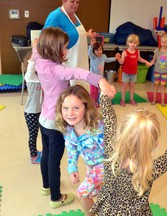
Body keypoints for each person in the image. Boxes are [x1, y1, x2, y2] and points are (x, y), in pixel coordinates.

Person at [89, 93, 167, 215]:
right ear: (155, 144)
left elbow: (110, 118)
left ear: (122, 133)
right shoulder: (150, 170)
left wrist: (104, 95)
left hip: (107, 211)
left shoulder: (111, 152)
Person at [33, 27, 115, 209]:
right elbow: (79, 73)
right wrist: (101, 80)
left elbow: (35, 48)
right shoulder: (56, 70)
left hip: (44, 120)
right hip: (56, 122)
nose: (66, 51)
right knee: (54, 162)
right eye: (64, 47)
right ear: (53, 48)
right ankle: (55, 197)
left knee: (46, 155)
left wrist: (37, 45)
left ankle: (46, 186)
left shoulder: (39, 60)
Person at [55, 85, 104, 216]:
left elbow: (112, 151)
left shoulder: (97, 128)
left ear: (86, 107)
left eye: (76, 108)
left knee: (82, 193)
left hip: (105, 166)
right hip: (91, 167)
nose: (70, 113)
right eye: (65, 108)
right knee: (97, 193)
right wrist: (72, 167)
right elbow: (72, 149)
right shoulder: (69, 129)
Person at [44, 0, 97, 90]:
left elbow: (72, 33)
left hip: (80, 61)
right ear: (64, 0)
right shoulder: (54, 17)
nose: (75, 5)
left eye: (78, 2)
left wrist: (87, 34)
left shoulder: (73, 14)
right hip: (67, 64)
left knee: (81, 91)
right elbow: (46, 41)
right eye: (72, 1)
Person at [117, 34, 152, 106]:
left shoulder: (137, 51)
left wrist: (146, 61)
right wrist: (118, 58)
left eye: (135, 43)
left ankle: (131, 99)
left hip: (133, 73)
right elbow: (121, 62)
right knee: (124, 86)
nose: (133, 44)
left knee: (132, 86)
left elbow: (139, 59)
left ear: (137, 44)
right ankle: (122, 100)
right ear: (128, 43)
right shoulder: (125, 52)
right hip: (126, 72)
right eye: (131, 42)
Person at [149, 33, 167, 106]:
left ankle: (162, 101)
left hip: (165, 72)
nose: (163, 44)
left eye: (165, 42)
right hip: (157, 71)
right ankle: (154, 100)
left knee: (163, 86)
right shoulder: (157, 50)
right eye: (162, 42)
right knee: (155, 85)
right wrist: (149, 63)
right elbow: (153, 60)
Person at [88, 39, 120, 107]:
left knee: (98, 91)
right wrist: (91, 45)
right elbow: (89, 53)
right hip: (92, 78)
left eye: (100, 49)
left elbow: (108, 60)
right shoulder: (93, 57)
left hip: (100, 78)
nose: (99, 51)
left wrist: (115, 58)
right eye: (96, 50)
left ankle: (96, 101)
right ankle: (92, 103)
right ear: (94, 51)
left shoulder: (103, 56)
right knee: (93, 91)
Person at [23, 51, 42, 164]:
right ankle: (33, 156)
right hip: (30, 112)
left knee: (40, 132)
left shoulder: (39, 77)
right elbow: (31, 65)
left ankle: (35, 151)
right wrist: (35, 51)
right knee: (33, 134)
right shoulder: (29, 76)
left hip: (40, 110)